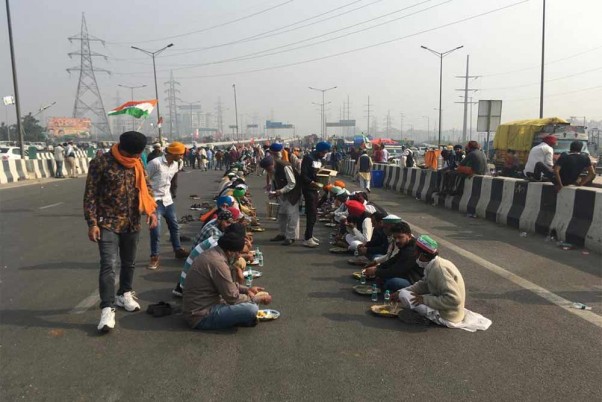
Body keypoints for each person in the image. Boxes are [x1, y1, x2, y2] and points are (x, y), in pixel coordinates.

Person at [84, 131, 158, 333]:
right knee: (108, 264)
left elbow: (147, 187)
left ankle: (124, 293)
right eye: (137, 153)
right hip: (107, 222)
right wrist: (92, 223)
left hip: (132, 222)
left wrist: (151, 211)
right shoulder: (101, 163)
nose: (139, 156)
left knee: (129, 262)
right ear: (125, 150)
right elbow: (90, 195)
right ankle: (107, 308)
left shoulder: (137, 163)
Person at [182, 232, 272, 330]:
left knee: (247, 303)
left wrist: (247, 290)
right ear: (230, 252)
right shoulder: (218, 263)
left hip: (204, 305)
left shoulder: (214, 254)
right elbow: (232, 297)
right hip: (201, 316)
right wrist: (257, 299)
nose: (239, 256)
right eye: (238, 253)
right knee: (252, 308)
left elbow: (226, 285)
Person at [392, 235, 466, 325]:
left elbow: (454, 299)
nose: (414, 255)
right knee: (403, 293)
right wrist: (399, 292)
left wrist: (424, 300)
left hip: (448, 316)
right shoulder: (433, 265)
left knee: (404, 295)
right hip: (447, 308)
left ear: (423, 255)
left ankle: (428, 317)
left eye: (416, 252)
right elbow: (424, 285)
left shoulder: (439, 269)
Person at [146, 142, 189, 270]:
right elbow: (144, 181)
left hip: (168, 200)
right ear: (173, 153)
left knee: (174, 226)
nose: (182, 157)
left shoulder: (176, 164)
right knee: (155, 231)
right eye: (180, 154)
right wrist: (146, 202)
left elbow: (171, 180)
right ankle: (154, 257)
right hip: (154, 201)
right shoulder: (155, 163)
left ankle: (178, 250)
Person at [363, 222, 421, 292]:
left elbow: (396, 271)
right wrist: (377, 267)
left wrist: (376, 271)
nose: (397, 240)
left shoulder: (411, 250)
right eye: (395, 238)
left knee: (393, 282)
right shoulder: (406, 245)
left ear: (409, 236)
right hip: (404, 274)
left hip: (413, 281)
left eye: (400, 237)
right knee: (383, 275)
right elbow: (393, 260)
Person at [262, 152, 301, 246]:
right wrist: (272, 192)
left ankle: (291, 237)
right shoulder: (272, 170)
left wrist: (280, 191)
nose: (268, 171)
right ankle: (283, 234)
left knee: (292, 215)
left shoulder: (285, 166)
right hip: (282, 193)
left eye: (268, 169)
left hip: (293, 192)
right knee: (281, 214)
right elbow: (274, 181)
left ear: (272, 164)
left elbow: (292, 183)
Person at [300, 141, 331, 248]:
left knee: (314, 213)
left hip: (316, 188)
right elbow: (303, 175)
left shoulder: (318, 159)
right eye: (323, 152)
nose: (324, 155)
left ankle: (309, 234)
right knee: (311, 213)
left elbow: (317, 173)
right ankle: (307, 238)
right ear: (319, 150)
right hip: (309, 188)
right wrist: (312, 182)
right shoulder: (308, 158)